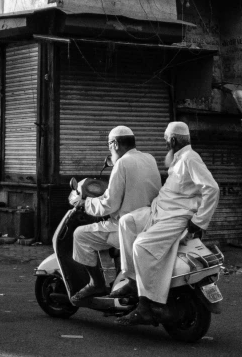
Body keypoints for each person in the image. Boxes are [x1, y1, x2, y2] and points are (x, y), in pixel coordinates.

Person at [114, 121, 219, 325]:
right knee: (126, 222)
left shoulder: (190, 158)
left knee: (141, 245)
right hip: (159, 211)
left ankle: (147, 305)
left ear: (172, 140)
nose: (164, 145)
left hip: (176, 216)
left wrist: (199, 222)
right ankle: (133, 279)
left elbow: (212, 188)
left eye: (165, 141)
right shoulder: (178, 159)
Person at [70, 125, 162, 302]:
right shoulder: (149, 158)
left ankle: (96, 284)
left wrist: (86, 203)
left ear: (115, 144)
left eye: (109, 145)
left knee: (80, 235)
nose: (109, 149)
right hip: (148, 220)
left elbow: (109, 204)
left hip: (125, 224)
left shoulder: (122, 163)